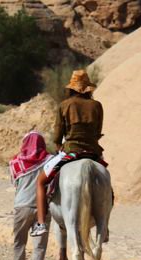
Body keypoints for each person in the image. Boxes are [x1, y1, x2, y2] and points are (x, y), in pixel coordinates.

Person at [31, 69, 105, 237]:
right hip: (93, 151)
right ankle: (104, 223)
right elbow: (98, 131)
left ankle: (41, 223)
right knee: (106, 178)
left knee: (41, 182)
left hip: (71, 151)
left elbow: (58, 133)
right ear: (87, 88)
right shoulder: (97, 105)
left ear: (71, 88)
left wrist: (58, 145)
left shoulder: (65, 105)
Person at [9, 131, 53, 260]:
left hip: (22, 207)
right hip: (43, 209)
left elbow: (15, 184)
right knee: (39, 245)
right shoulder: (51, 161)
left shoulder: (15, 162)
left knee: (19, 242)